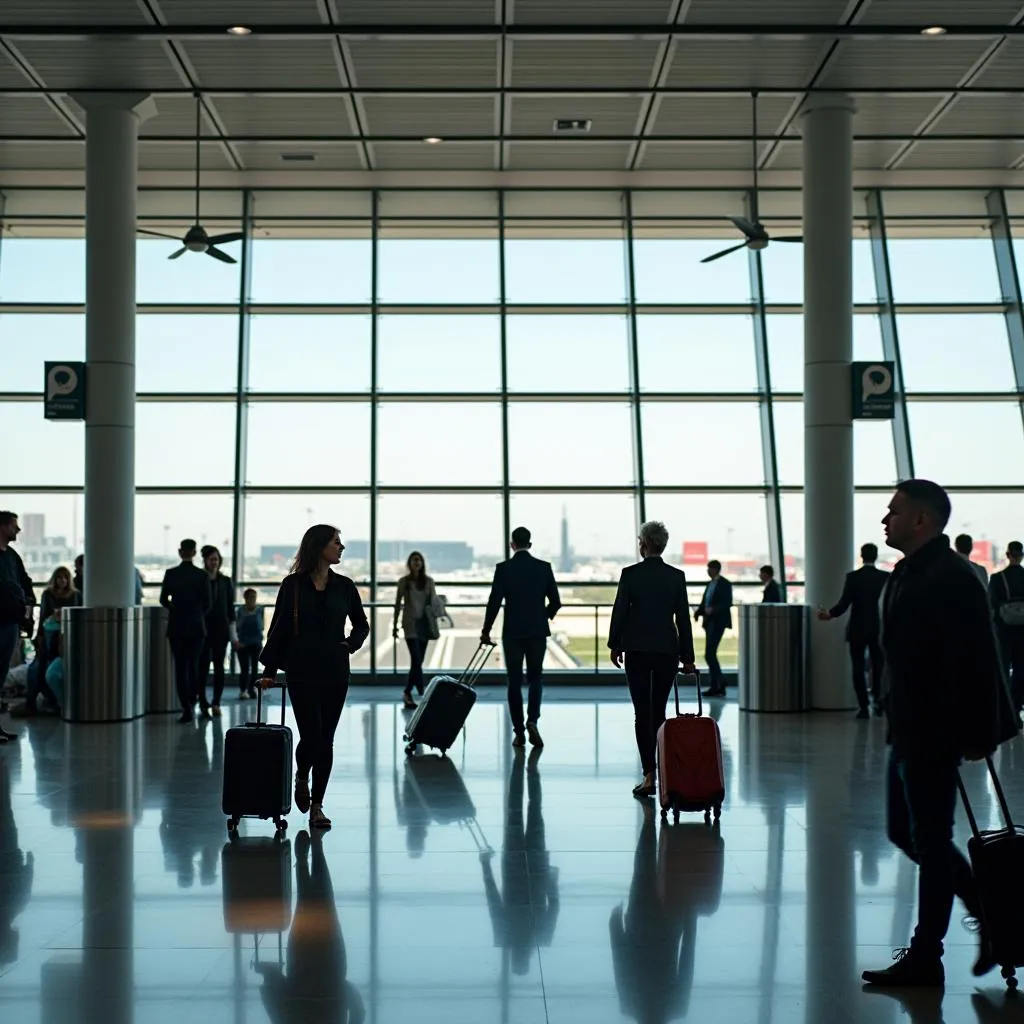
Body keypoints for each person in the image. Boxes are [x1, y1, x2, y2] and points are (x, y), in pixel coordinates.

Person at [861, 479, 1018, 989]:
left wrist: (978, 732)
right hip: (907, 725)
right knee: (902, 831)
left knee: (928, 839)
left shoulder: (950, 577)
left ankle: (927, 954)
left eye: (894, 511)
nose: (885, 519)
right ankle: (983, 907)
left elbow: (978, 660)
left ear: (922, 520)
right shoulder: (909, 572)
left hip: (934, 729)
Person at [258, 524, 369, 831]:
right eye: (336, 542)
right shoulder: (292, 585)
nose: (341, 547)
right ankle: (301, 775)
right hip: (302, 669)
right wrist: (269, 672)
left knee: (327, 738)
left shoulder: (345, 586)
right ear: (320, 546)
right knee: (311, 735)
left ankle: (317, 805)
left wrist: (349, 644)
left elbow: (361, 625)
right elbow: (279, 628)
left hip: (335, 670)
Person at [608, 521, 696, 798]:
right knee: (659, 712)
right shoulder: (676, 576)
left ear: (643, 544)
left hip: (636, 649)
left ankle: (649, 775)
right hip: (667, 651)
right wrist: (688, 656)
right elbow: (683, 618)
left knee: (641, 713)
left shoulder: (630, 574)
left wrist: (615, 644)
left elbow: (620, 610)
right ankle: (665, 771)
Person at [255, 830, 365, 1022]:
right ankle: (304, 862)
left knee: (325, 905)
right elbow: (277, 1005)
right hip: (302, 968)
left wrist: (344, 989)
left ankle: (316, 849)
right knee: (305, 907)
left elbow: (357, 1011)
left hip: (331, 971)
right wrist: (269, 974)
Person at [481, 527, 562, 749]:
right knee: (536, 678)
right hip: (537, 632)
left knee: (513, 682)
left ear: (511, 545)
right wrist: (542, 616)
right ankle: (532, 720)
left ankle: (518, 732)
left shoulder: (504, 569)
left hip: (513, 633)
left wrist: (486, 630)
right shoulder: (543, 568)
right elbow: (556, 601)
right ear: (530, 544)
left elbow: (494, 602)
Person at [481, 747, 559, 976]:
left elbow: (554, 905)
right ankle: (521, 772)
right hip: (513, 866)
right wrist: (485, 866)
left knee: (535, 811)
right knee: (515, 812)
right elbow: (493, 900)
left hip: (536, 868)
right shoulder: (506, 935)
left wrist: (551, 880)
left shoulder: (540, 936)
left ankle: (531, 773)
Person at [817, 543, 890, 719]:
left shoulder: (853, 577)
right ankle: (879, 703)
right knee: (879, 666)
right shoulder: (885, 577)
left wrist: (829, 614)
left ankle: (863, 707)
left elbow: (844, 603)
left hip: (857, 629)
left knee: (858, 669)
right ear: (876, 556)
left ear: (862, 556)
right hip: (877, 629)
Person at [160, 538, 213, 724]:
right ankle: (194, 699)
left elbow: (163, 599)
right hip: (197, 627)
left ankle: (187, 707)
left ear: (180, 552)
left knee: (181, 668)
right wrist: (196, 614)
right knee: (195, 666)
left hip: (177, 626)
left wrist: (175, 609)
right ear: (195, 552)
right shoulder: (201, 576)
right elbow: (208, 603)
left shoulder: (171, 573)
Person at [0, 512, 36, 744]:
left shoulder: (12, 556)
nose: (18, 530)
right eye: (14, 526)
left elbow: (25, 582)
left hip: (10, 622)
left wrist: (29, 605)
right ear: (2, 527)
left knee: (1, 673)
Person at [392, 551, 441, 710]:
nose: (417, 562)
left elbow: (433, 602)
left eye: (419, 560)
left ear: (422, 563)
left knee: (418, 661)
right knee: (416, 658)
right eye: (414, 560)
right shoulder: (403, 582)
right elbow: (398, 604)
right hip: (410, 625)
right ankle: (417, 690)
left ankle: (412, 691)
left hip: (424, 624)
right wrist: (395, 625)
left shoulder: (428, 582)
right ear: (409, 563)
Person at [198, 545, 236, 717]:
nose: (214, 563)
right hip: (203, 630)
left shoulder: (226, 581)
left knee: (219, 667)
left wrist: (233, 633)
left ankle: (216, 702)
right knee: (203, 667)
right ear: (205, 561)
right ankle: (203, 701)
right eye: (211, 559)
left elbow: (230, 608)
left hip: (221, 630)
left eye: (216, 560)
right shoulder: (199, 579)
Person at [990, 540, 1024, 714]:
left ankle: (1006, 706)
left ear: (1008, 555)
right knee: (1021, 670)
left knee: (1004, 668)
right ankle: (1017, 705)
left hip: (1004, 631)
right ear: (1022, 555)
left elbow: (992, 606)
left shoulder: (997, 579)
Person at [694, 559, 732, 698]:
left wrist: (713, 610)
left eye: (709, 569)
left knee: (709, 654)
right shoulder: (711, 584)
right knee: (710, 654)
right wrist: (699, 612)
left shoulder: (725, 584)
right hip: (709, 622)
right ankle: (717, 685)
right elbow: (705, 602)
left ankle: (719, 683)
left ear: (716, 569)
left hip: (718, 622)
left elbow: (727, 603)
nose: (708, 571)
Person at [235, 588, 265, 700]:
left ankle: (252, 689)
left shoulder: (260, 610)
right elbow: (237, 627)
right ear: (246, 598)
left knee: (254, 668)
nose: (253, 599)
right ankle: (243, 690)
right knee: (244, 668)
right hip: (243, 644)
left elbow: (261, 626)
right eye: (251, 597)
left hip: (256, 643)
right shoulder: (240, 611)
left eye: (254, 597)